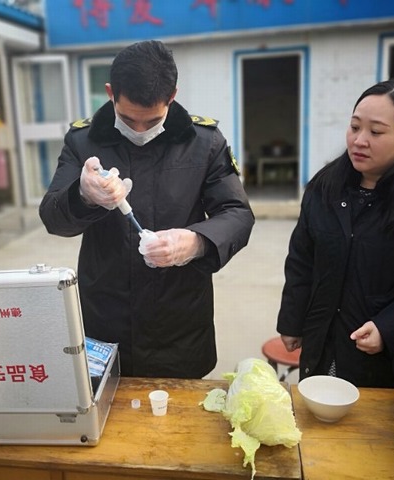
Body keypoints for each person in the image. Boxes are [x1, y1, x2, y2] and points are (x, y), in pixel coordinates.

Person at [39, 40, 254, 379]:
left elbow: (237, 214)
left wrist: (194, 242)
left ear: (172, 96)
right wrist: (83, 194)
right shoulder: (83, 141)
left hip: (179, 321)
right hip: (106, 317)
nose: (139, 130)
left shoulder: (204, 142)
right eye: (127, 119)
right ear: (110, 93)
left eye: (151, 120)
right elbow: (52, 217)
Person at [276, 79, 394, 388]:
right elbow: (301, 262)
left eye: (376, 132)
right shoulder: (324, 188)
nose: (359, 140)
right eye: (355, 127)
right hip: (320, 348)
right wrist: (292, 321)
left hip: (385, 365)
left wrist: (388, 328)